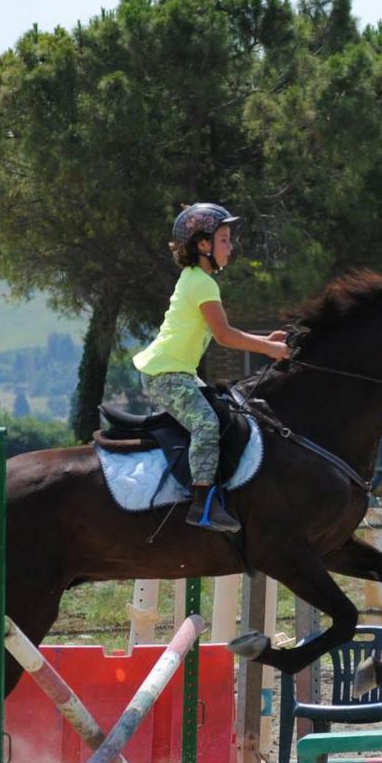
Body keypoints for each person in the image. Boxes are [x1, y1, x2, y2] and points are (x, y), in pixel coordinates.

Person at [132, 202, 289, 533]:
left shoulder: (196, 279)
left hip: (180, 374)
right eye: (224, 239)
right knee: (205, 424)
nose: (230, 247)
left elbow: (224, 332)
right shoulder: (202, 283)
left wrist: (265, 339)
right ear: (202, 245)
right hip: (166, 376)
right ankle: (202, 505)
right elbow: (225, 336)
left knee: (227, 414)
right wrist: (271, 348)